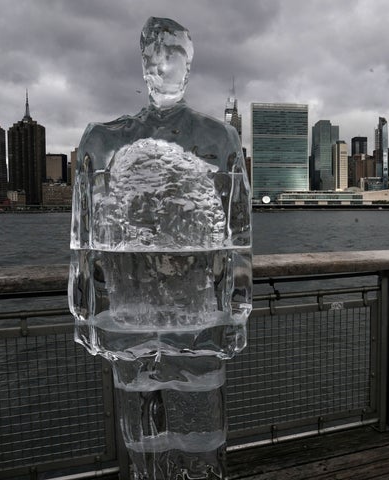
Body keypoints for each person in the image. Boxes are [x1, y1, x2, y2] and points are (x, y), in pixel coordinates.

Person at [69, 17, 251, 480]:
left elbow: (239, 239)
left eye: (173, 56)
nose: (162, 65)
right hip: (131, 321)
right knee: (142, 447)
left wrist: (237, 313)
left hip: (198, 320)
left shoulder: (220, 139)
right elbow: (83, 241)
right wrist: (84, 311)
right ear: (142, 61)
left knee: (203, 436)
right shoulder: (103, 140)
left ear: (189, 64)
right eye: (155, 55)